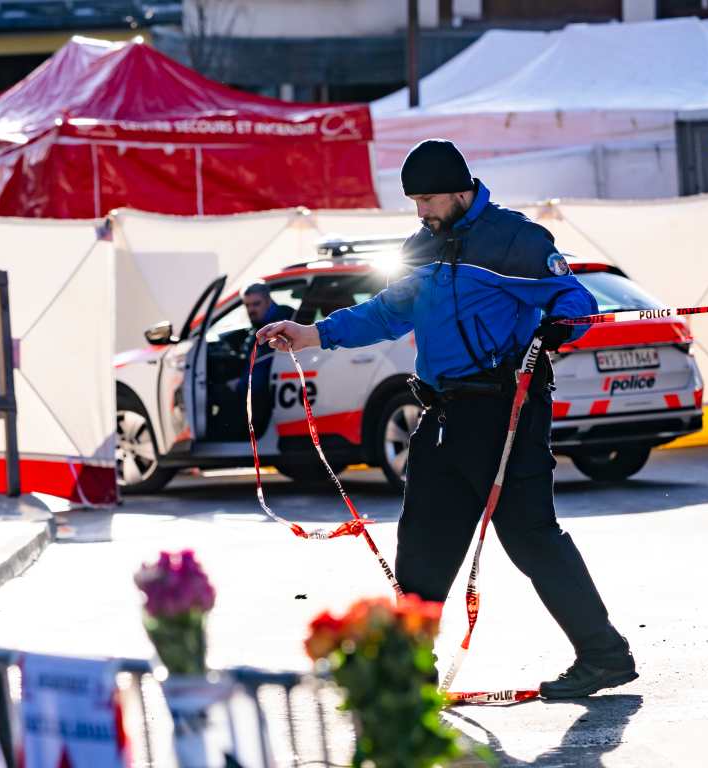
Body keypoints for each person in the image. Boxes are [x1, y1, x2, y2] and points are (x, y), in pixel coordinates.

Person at [257, 139, 636, 698]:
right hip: (441, 415)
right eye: (415, 201)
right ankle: (413, 674)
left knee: (530, 537)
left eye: (429, 199)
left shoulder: (514, 238)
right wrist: (314, 333)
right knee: (422, 542)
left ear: (462, 190)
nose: (421, 212)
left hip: (507, 412)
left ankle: (604, 656)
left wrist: (560, 326)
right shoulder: (423, 245)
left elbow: (576, 302)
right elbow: (388, 312)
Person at [239, 283, 294, 436]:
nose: (251, 310)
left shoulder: (280, 324)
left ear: (268, 301)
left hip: (269, 391)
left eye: (256, 304)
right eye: (247, 305)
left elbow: (260, 368)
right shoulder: (260, 324)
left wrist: (238, 385)